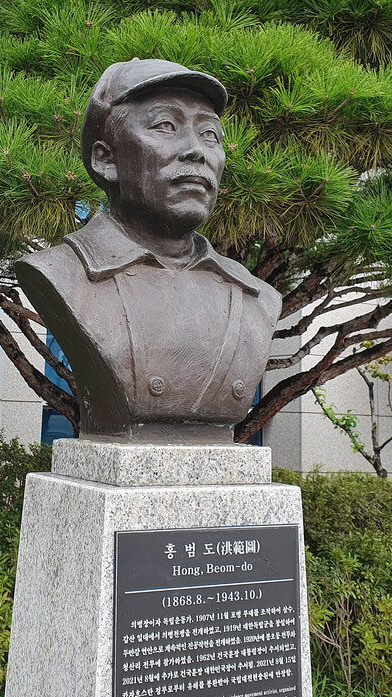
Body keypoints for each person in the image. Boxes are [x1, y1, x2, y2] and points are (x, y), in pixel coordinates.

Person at [15, 59, 281, 444]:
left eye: (210, 134)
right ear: (105, 159)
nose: (196, 151)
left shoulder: (257, 297)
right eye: (165, 127)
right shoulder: (62, 274)